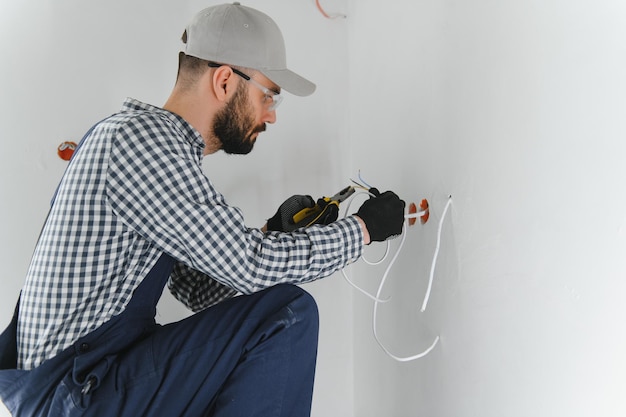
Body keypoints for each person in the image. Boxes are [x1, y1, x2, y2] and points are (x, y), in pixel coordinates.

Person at [0, 3, 405, 416]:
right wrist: (363, 229)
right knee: (286, 314)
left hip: (87, 382)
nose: (270, 116)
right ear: (225, 80)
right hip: (75, 391)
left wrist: (272, 232)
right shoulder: (142, 143)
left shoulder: (150, 150)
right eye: (269, 97)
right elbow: (246, 265)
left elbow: (198, 290)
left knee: (262, 330)